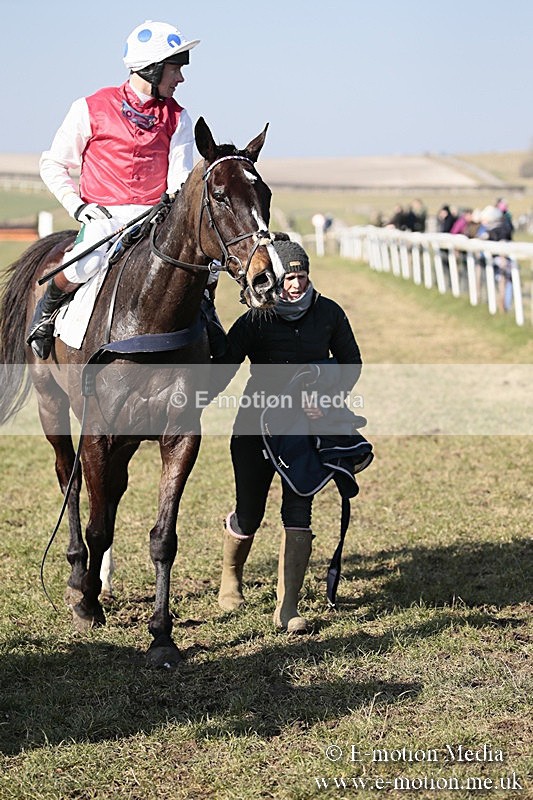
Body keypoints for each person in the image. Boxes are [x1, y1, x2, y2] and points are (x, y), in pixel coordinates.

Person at [211, 240, 364, 634]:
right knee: (250, 513)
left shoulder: (329, 313)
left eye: (301, 275)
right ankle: (231, 579)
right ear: (274, 278)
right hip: (254, 428)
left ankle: (287, 607)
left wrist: (325, 394)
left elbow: (351, 364)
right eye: (288, 276)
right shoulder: (255, 320)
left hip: (306, 431)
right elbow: (221, 368)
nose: (296, 284)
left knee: (299, 511)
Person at [27, 19, 200, 359]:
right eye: (175, 69)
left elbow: (179, 177)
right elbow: (53, 164)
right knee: (82, 263)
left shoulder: (179, 117)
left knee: (198, 268)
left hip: (154, 218)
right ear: (151, 69)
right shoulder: (89, 108)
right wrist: (78, 207)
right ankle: (46, 313)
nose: (181, 78)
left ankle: (208, 328)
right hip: (103, 218)